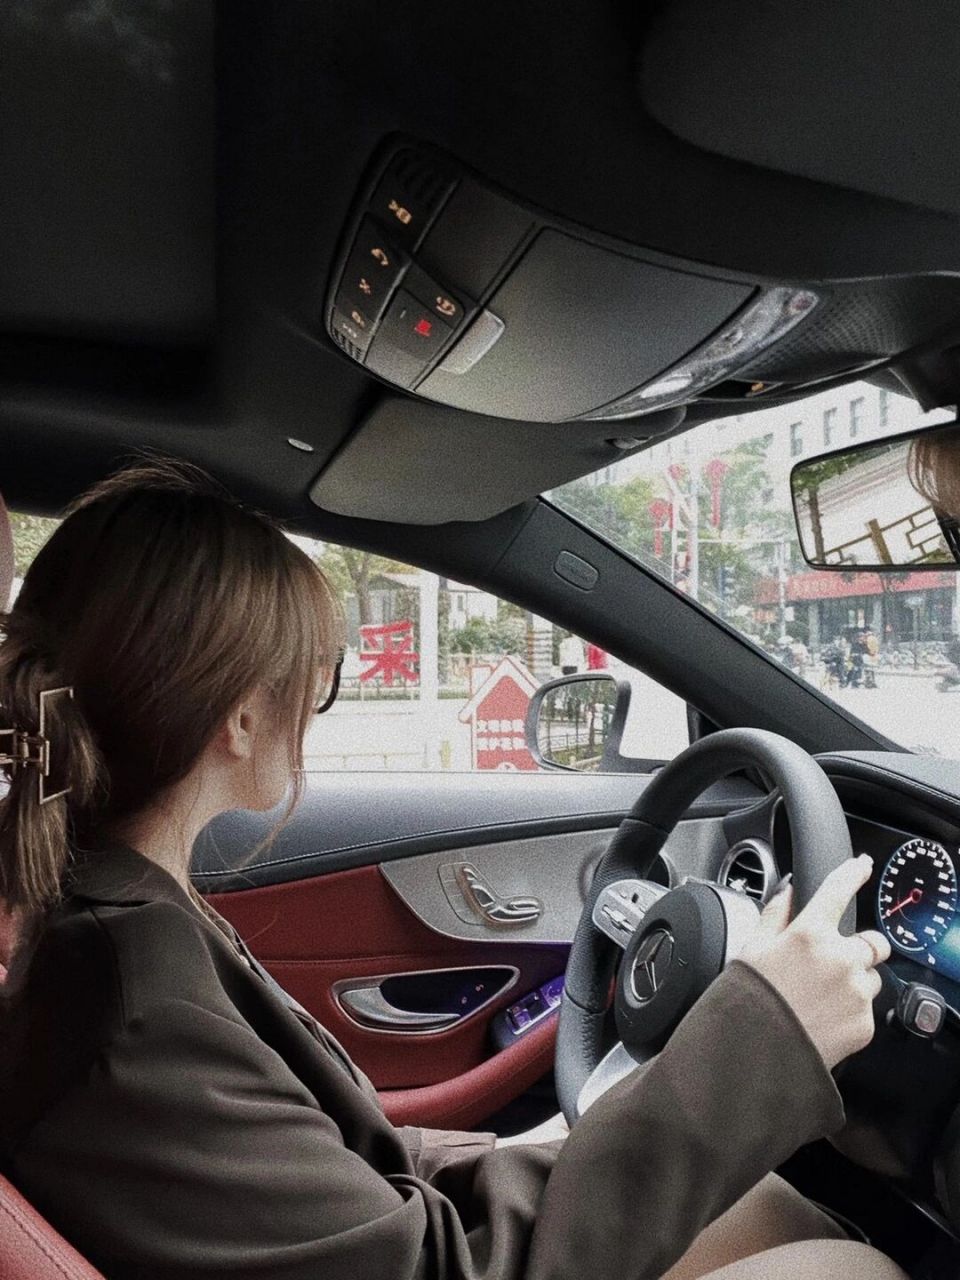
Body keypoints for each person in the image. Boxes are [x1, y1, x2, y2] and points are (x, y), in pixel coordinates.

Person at [0, 461, 904, 1280]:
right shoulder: (131, 997)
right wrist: (767, 1033)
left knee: (767, 1202)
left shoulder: (115, 914)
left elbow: (343, 1171)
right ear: (238, 718)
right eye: (318, 677)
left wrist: (586, 1128)